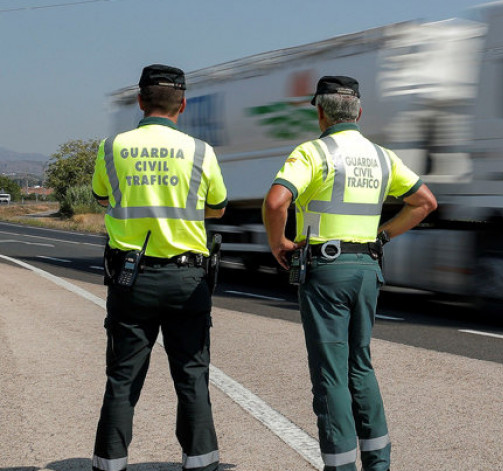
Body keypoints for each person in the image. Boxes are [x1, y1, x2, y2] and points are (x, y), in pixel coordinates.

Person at [262, 75, 437, 471]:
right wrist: (382, 235)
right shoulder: (382, 157)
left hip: (326, 270)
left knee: (330, 371)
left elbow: (276, 203)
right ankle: (378, 462)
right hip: (367, 267)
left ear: (320, 113)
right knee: (361, 364)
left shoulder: (312, 153)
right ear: (359, 112)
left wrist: (279, 244)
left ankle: (340, 465)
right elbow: (425, 202)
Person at [91, 64, 228, 471]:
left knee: (122, 378)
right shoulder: (201, 151)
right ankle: (200, 462)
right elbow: (218, 208)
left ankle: (110, 463)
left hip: (131, 280)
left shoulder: (111, 147)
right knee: (191, 375)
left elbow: (102, 198)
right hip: (187, 280)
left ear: (140, 101)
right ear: (182, 105)